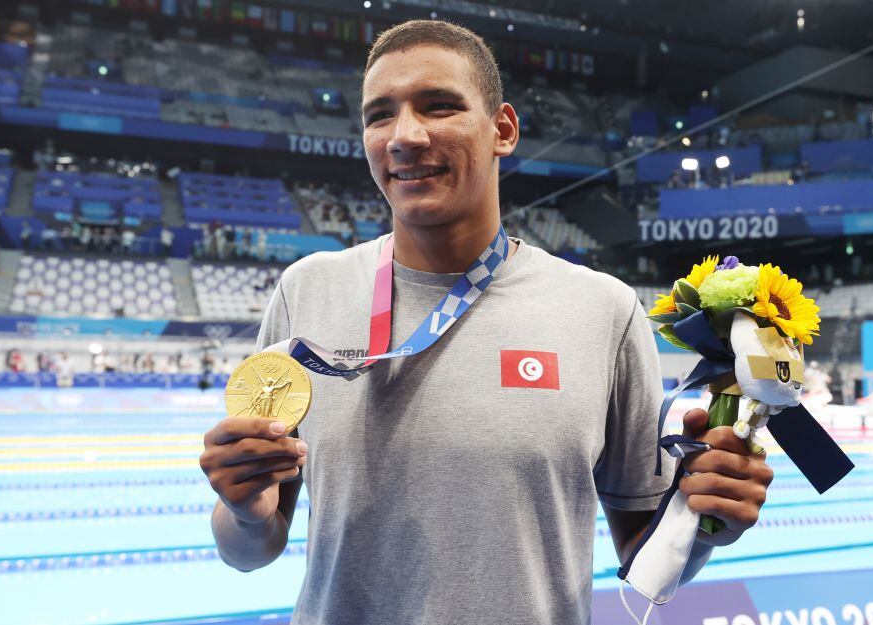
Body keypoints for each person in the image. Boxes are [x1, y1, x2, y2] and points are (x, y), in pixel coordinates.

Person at [199, 20, 772, 625]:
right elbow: (250, 552)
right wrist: (243, 513)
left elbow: (647, 556)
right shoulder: (307, 290)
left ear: (502, 129)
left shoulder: (602, 309)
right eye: (379, 116)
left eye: (439, 106)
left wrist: (705, 522)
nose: (405, 136)